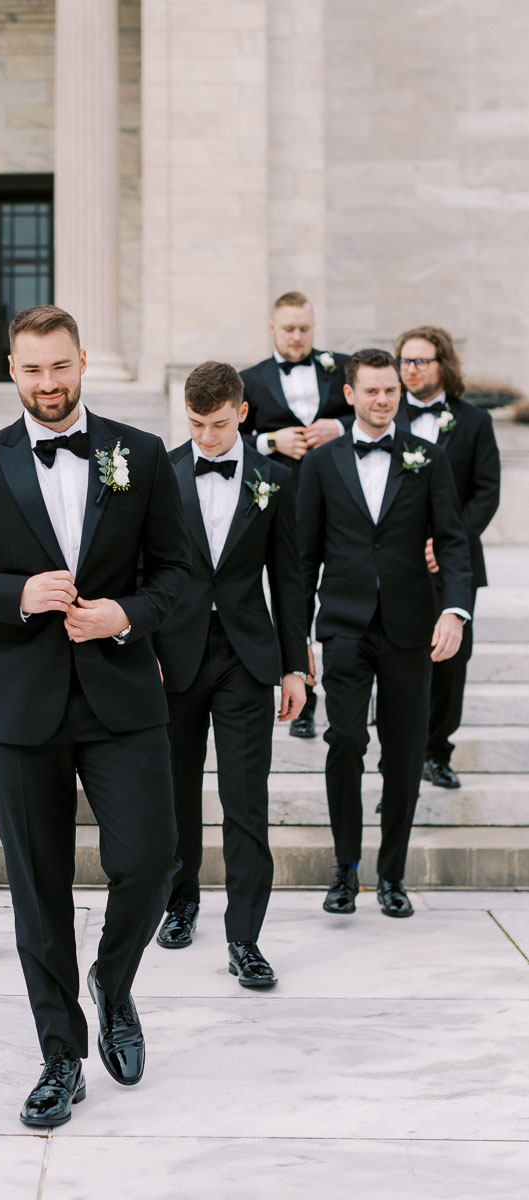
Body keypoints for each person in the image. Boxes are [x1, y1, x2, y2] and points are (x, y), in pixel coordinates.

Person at [0, 305, 190, 1128]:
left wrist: (126, 615)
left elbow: (179, 576)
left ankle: (113, 979)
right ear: (11, 369)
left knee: (151, 861)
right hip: (16, 704)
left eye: (60, 367)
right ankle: (59, 1057)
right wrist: (15, 595)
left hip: (121, 696)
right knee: (38, 891)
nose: (47, 384)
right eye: (31, 370)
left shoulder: (137, 455)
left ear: (81, 363)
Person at [297, 348, 473, 919]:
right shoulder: (321, 464)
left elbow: (451, 541)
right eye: (371, 391)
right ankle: (345, 870)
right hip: (345, 626)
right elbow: (304, 557)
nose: (382, 400)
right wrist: (296, 638)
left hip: (410, 629)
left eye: (390, 391)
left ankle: (391, 874)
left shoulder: (428, 458)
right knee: (345, 740)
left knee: (402, 752)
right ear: (349, 395)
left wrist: (455, 611)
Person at [153, 361, 308, 987]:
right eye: (195, 425)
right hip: (174, 655)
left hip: (248, 656)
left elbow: (290, 578)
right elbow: (142, 571)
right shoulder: (162, 471)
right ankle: (180, 902)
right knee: (176, 792)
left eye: (217, 425)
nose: (206, 438)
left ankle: (245, 937)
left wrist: (295, 665)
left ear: (242, 413)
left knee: (247, 800)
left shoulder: (275, 479)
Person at [240, 291, 351, 740]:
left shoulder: (343, 367)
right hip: (289, 514)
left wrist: (340, 427)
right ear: (271, 328)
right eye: (289, 328)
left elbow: (386, 411)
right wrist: (272, 442)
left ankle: (353, 698)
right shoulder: (249, 379)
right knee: (295, 606)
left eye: (305, 328)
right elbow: (225, 439)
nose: (298, 337)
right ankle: (303, 696)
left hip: (345, 511)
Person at [395, 326, 500, 790]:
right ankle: (399, 762)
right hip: (397, 565)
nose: (410, 370)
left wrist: (450, 539)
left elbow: (487, 492)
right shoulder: (383, 414)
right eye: (405, 361)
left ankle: (437, 752)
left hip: (454, 565)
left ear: (443, 365)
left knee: (451, 664)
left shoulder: (474, 421)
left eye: (421, 361)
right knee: (401, 661)